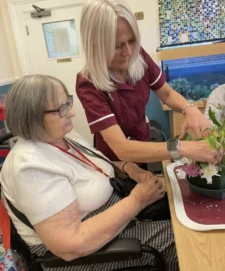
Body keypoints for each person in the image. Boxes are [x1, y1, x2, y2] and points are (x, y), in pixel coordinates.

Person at [1, 74, 178, 271]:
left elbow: (90, 164)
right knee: (186, 242)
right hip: (89, 253)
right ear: (32, 117)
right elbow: (70, 246)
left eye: (67, 102)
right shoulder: (29, 166)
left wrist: (130, 168)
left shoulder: (62, 136)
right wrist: (137, 199)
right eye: (62, 109)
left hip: (118, 221)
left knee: (180, 209)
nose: (72, 112)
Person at [76, 0, 222, 165]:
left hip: (142, 142)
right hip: (117, 163)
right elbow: (122, 148)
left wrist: (190, 110)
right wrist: (183, 148)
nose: (128, 52)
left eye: (132, 41)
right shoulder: (88, 83)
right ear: (96, 45)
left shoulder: (139, 57)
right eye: (117, 46)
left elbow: (167, 93)